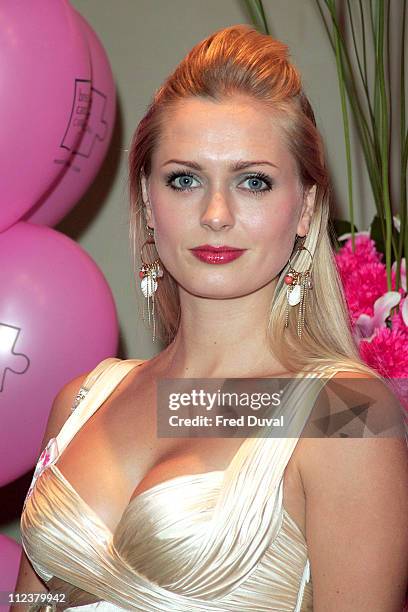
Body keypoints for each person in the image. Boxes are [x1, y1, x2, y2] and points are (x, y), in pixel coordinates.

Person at [14, 24, 408, 611]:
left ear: (304, 208)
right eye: (185, 179)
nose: (216, 214)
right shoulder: (82, 401)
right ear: (149, 202)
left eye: (253, 181)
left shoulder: (347, 416)